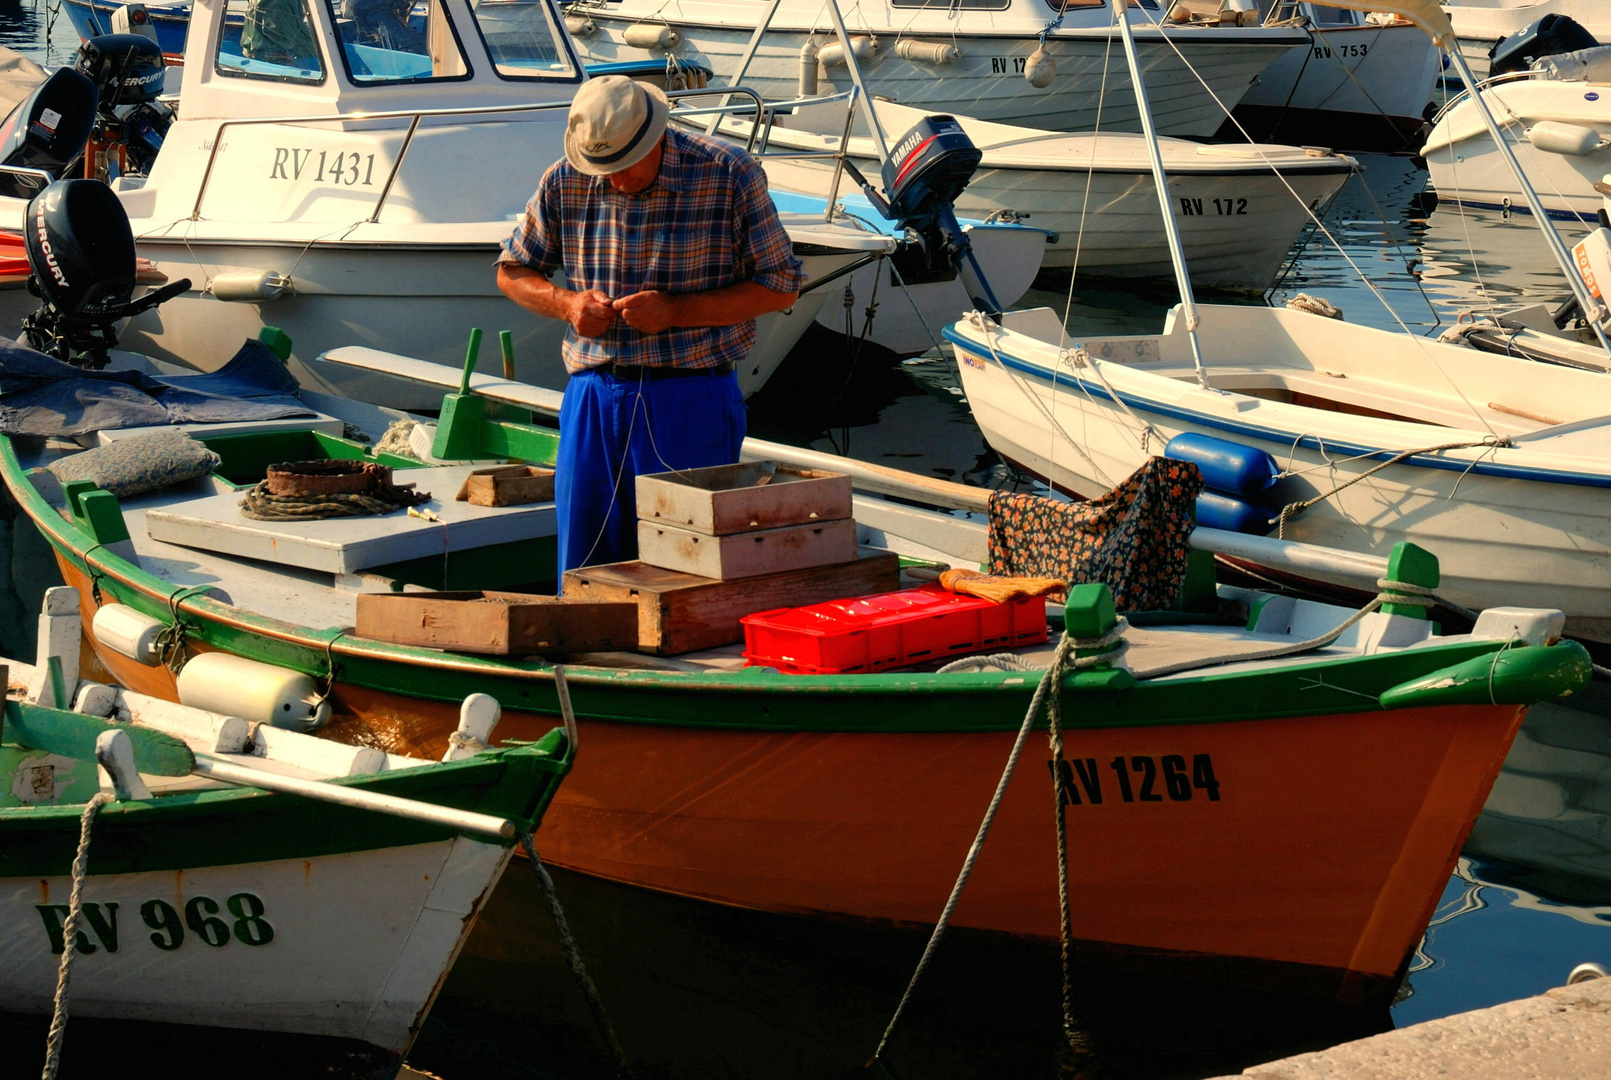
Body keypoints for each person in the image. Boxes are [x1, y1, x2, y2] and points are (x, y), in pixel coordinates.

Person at [497, 76, 805, 578]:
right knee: (584, 565)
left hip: (690, 398)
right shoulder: (564, 178)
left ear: (657, 137)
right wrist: (567, 303)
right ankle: (587, 651)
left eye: (623, 166)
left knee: (685, 568)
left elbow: (782, 286)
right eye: (601, 167)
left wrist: (677, 313)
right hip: (593, 395)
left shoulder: (728, 173)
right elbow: (512, 271)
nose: (612, 180)